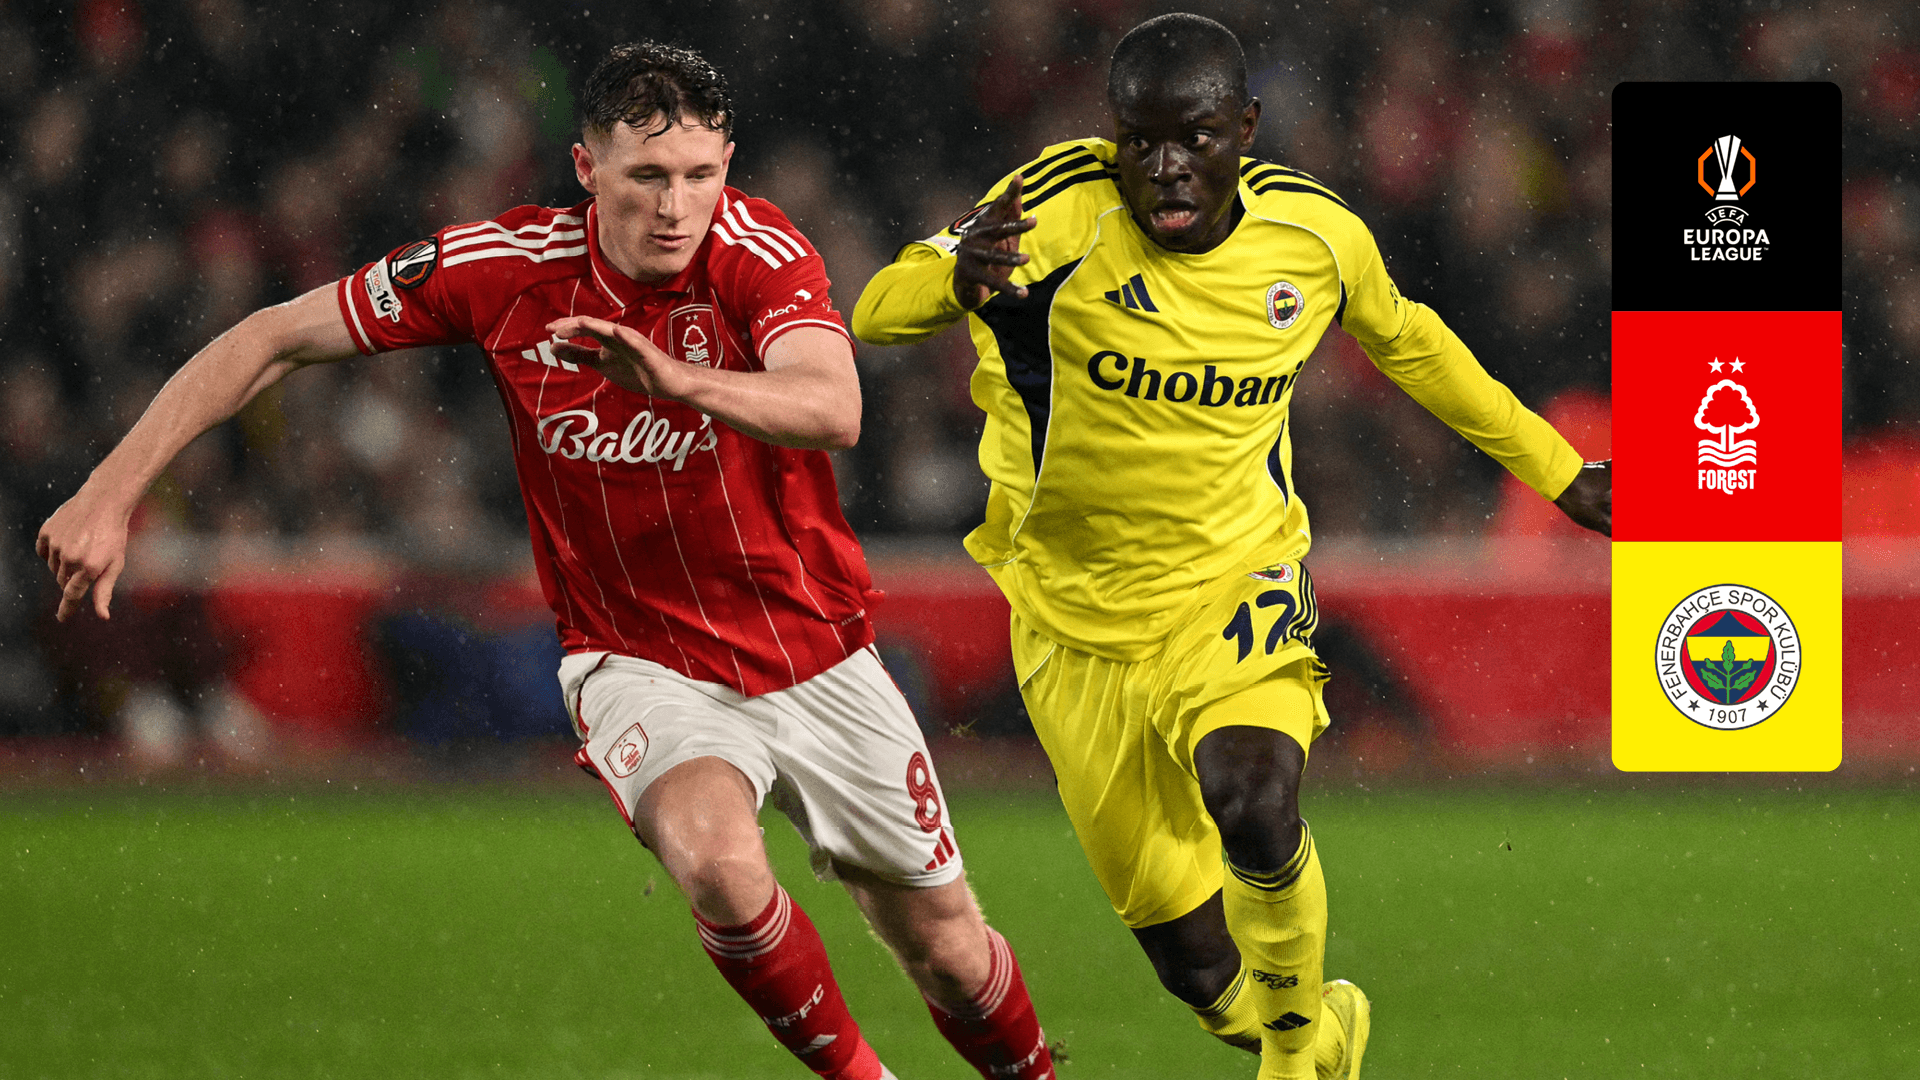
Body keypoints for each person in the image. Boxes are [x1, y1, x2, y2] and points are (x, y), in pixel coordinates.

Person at [37, 41, 1055, 1080]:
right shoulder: (502, 268)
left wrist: (677, 382)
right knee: (719, 868)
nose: (676, 206)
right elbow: (271, 337)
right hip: (638, 659)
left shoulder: (758, 249)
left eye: (699, 175)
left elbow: (834, 406)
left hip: (815, 650)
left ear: (727, 164)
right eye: (646, 176)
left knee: (950, 953)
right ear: (586, 168)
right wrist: (111, 491)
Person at [852, 13, 1610, 1080]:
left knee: (1253, 798)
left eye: (1195, 138)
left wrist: (1560, 470)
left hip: (1233, 579)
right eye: (1141, 140)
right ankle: (1315, 1032)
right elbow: (876, 309)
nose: (1165, 166)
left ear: (1246, 129)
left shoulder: (1314, 236)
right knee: (1200, 974)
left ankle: (1292, 1063)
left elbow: (1413, 342)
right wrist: (954, 280)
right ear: (1112, 135)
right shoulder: (1049, 210)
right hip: (1072, 624)